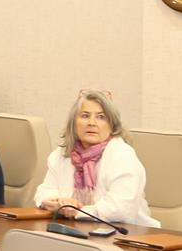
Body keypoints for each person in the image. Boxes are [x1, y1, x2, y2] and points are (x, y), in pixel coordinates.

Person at [33, 89, 153, 227]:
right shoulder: (63, 153)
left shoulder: (122, 155)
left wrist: (77, 210)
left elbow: (120, 209)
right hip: (74, 229)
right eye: (85, 116)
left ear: (112, 125)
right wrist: (56, 202)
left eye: (101, 117)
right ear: (73, 122)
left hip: (126, 233)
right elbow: (44, 191)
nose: (92, 123)